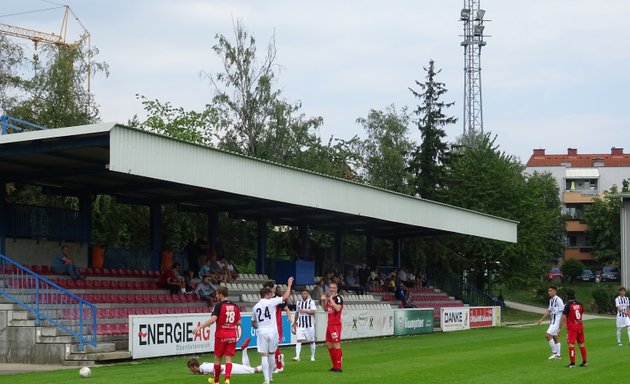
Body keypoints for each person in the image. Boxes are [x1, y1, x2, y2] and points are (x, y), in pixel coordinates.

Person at [192, 286, 242, 384]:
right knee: (228, 358)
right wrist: (230, 325)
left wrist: (199, 327)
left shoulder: (219, 306)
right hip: (232, 334)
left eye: (217, 294)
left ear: (221, 294)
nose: (215, 296)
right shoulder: (235, 306)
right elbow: (239, 322)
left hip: (221, 335)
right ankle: (227, 379)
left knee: (218, 358)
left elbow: (213, 319)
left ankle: (216, 381)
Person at [252, 277, 294, 384]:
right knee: (271, 354)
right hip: (273, 331)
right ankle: (270, 377)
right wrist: (289, 285)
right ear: (267, 294)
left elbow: (253, 323)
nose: (271, 294)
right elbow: (285, 297)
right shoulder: (272, 302)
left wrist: (259, 327)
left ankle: (266, 379)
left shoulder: (255, 307)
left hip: (262, 331)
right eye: (270, 293)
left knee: (264, 356)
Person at [262, 282, 293, 374]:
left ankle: (279, 366)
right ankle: (278, 360)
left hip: (276, 327)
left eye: (268, 289)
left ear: (272, 289)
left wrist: (289, 317)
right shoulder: (264, 300)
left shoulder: (276, 300)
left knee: (273, 347)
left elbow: (286, 309)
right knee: (268, 348)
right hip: (268, 327)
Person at [187, 338, 262, 375]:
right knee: (249, 369)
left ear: (194, 367)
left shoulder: (204, 368)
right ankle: (244, 349)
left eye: (190, 368)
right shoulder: (203, 368)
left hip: (230, 370)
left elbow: (221, 369)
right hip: (231, 368)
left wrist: (210, 374)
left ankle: (272, 366)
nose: (191, 370)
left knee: (254, 370)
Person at [536, 285, 564, 360]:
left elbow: (563, 312)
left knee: (547, 335)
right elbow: (549, 310)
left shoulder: (558, 300)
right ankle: (558, 355)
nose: (549, 292)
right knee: (555, 337)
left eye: (551, 291)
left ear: (555, 291)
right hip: (553, 320)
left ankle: (554, 352)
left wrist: (561, 325)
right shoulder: (551, 300)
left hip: (557, 321)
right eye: (548, 291)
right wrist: (541, 319)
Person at [561, 289, 588, 368]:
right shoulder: (580, 304)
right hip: (580, 326)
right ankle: (585, 361)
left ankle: (572, 363)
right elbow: (581, 312)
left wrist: (559, 329)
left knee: (571, 344)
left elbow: (564, 317)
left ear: (567, 296)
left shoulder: (567, 305)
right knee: (581, 344)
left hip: (572, 327)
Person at [321, 281, 343, 372]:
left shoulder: (338, 298)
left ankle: (338, 366)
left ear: (336, 289)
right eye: (330, 288)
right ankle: (334, 365)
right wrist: (323, 301)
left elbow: (338, 308)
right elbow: (326, 309)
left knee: (336, 344)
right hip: (329, 325)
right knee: (329, 345)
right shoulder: (331, 298)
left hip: (335, 325)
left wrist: (330, 299)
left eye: (333, 288)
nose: (331, 289)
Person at [292, 288, 317, 362]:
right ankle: (297, 356)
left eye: (305, 293)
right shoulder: (299, 303)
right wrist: (294, 322)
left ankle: (312, 356)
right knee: (299, 340)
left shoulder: (311, 302)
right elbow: (297, 313)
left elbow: (313, 312)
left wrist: (305, 310)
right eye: (302, 293)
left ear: (308, 294)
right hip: (301, 325)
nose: (303, 295)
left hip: (309, 325)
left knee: (312, 341)